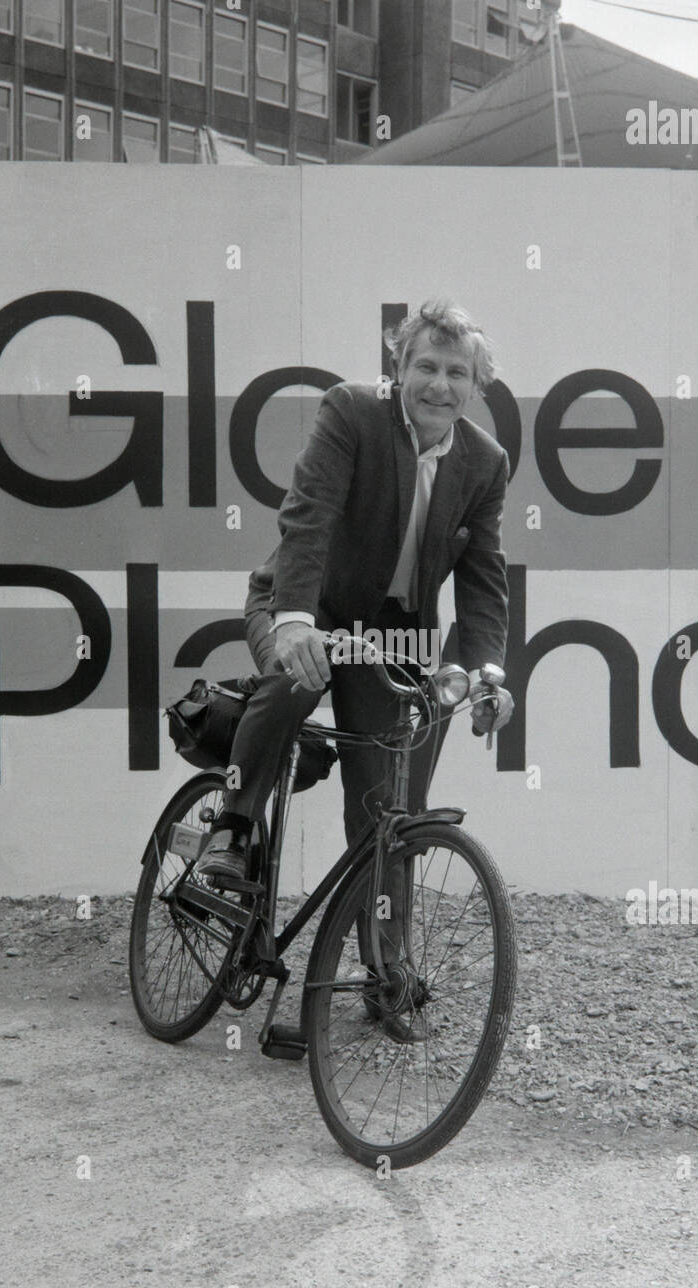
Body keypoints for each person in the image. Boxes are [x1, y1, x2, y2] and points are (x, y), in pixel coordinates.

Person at [195, 298, 514, 1025]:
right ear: (397, 368)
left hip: (393, 633)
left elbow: (484, 576)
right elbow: (309, 515)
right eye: (425, 366)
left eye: (456, 372)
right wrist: (296, 621)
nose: (439, 384)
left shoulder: (485, 462)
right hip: (305, 599)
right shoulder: (352, 412)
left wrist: (487, 670)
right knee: (290, 682)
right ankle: (233, 832)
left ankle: (385, 968)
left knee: (391, 806)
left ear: (476, 387)